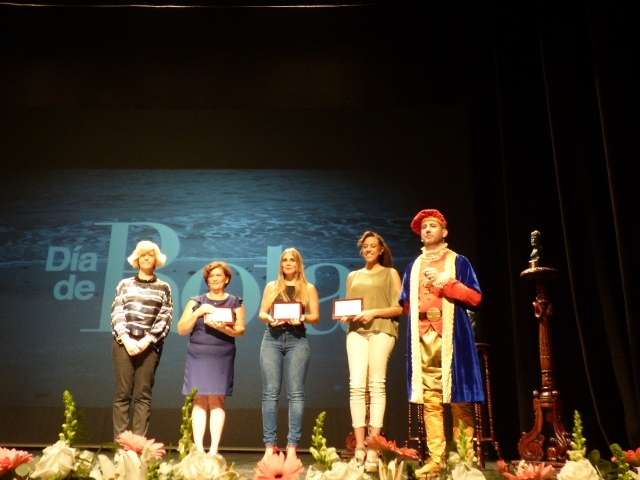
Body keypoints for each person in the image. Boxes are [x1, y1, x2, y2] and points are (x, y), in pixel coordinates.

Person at [400, 209, 484, 476]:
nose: (427, 229)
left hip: (452, 336)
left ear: (444, 232)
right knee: (430, 400)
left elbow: (475, 298)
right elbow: (406, 304)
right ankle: (437, 459)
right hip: (422, 339)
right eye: (424, 227)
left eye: (432, 225)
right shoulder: (413, 266)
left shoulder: (459, 261)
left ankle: (465, 459)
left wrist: (448, 285)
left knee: (459, 397)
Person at [341, 231, 403, 471]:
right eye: (365, 246)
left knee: (376, 385)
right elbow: (348, 306)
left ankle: (373, 448)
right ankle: (359, 446)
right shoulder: (353, 276)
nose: (368, 249)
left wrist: (373, 312)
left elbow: (399, 308)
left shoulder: (390, 273)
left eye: (372, 246)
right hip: (356, 333)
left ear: (380, 249)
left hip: (382, 331)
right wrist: (345, 315)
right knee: (356, 386)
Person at [177, 261, 246, 455]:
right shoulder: (196, 301)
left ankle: (214, 450)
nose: (214, 279)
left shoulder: (235, 302)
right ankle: (199, 450)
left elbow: (240, 330)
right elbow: (182, 329)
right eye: (211, 276)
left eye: (218, 275)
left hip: (222, 354)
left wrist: (223, 328)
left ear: (226, 279)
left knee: (217, 400)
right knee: (199, 400)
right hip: (198, 354)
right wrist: (198, 312)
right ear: (207, 279)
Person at [258, 248, 320, 461]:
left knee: (296, 394)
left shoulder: (308, 288)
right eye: (284, 260)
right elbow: (262, 312)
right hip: (272, 339)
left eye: (292, 259)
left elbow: (315, 316)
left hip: (297, 340)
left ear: (298, 263)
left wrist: (301, 318)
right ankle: (270, 447)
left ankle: (292, 447)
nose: (287, 263)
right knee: (270, 392)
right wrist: (270, 318)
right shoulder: (272, 286)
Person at [111, 240, 173, 438]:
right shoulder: (124, 284)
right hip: (124, 344)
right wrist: (126, 339)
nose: (146, 258)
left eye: (150, 255)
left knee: (143, 395)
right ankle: (122, 444)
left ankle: (137, 444)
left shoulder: (164, 287)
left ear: (156, 260)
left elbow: (165, 317)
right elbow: (117, 312)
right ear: (137, 259)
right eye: (143, 255)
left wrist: (146, 341)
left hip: (150, 346)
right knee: (123, 394)